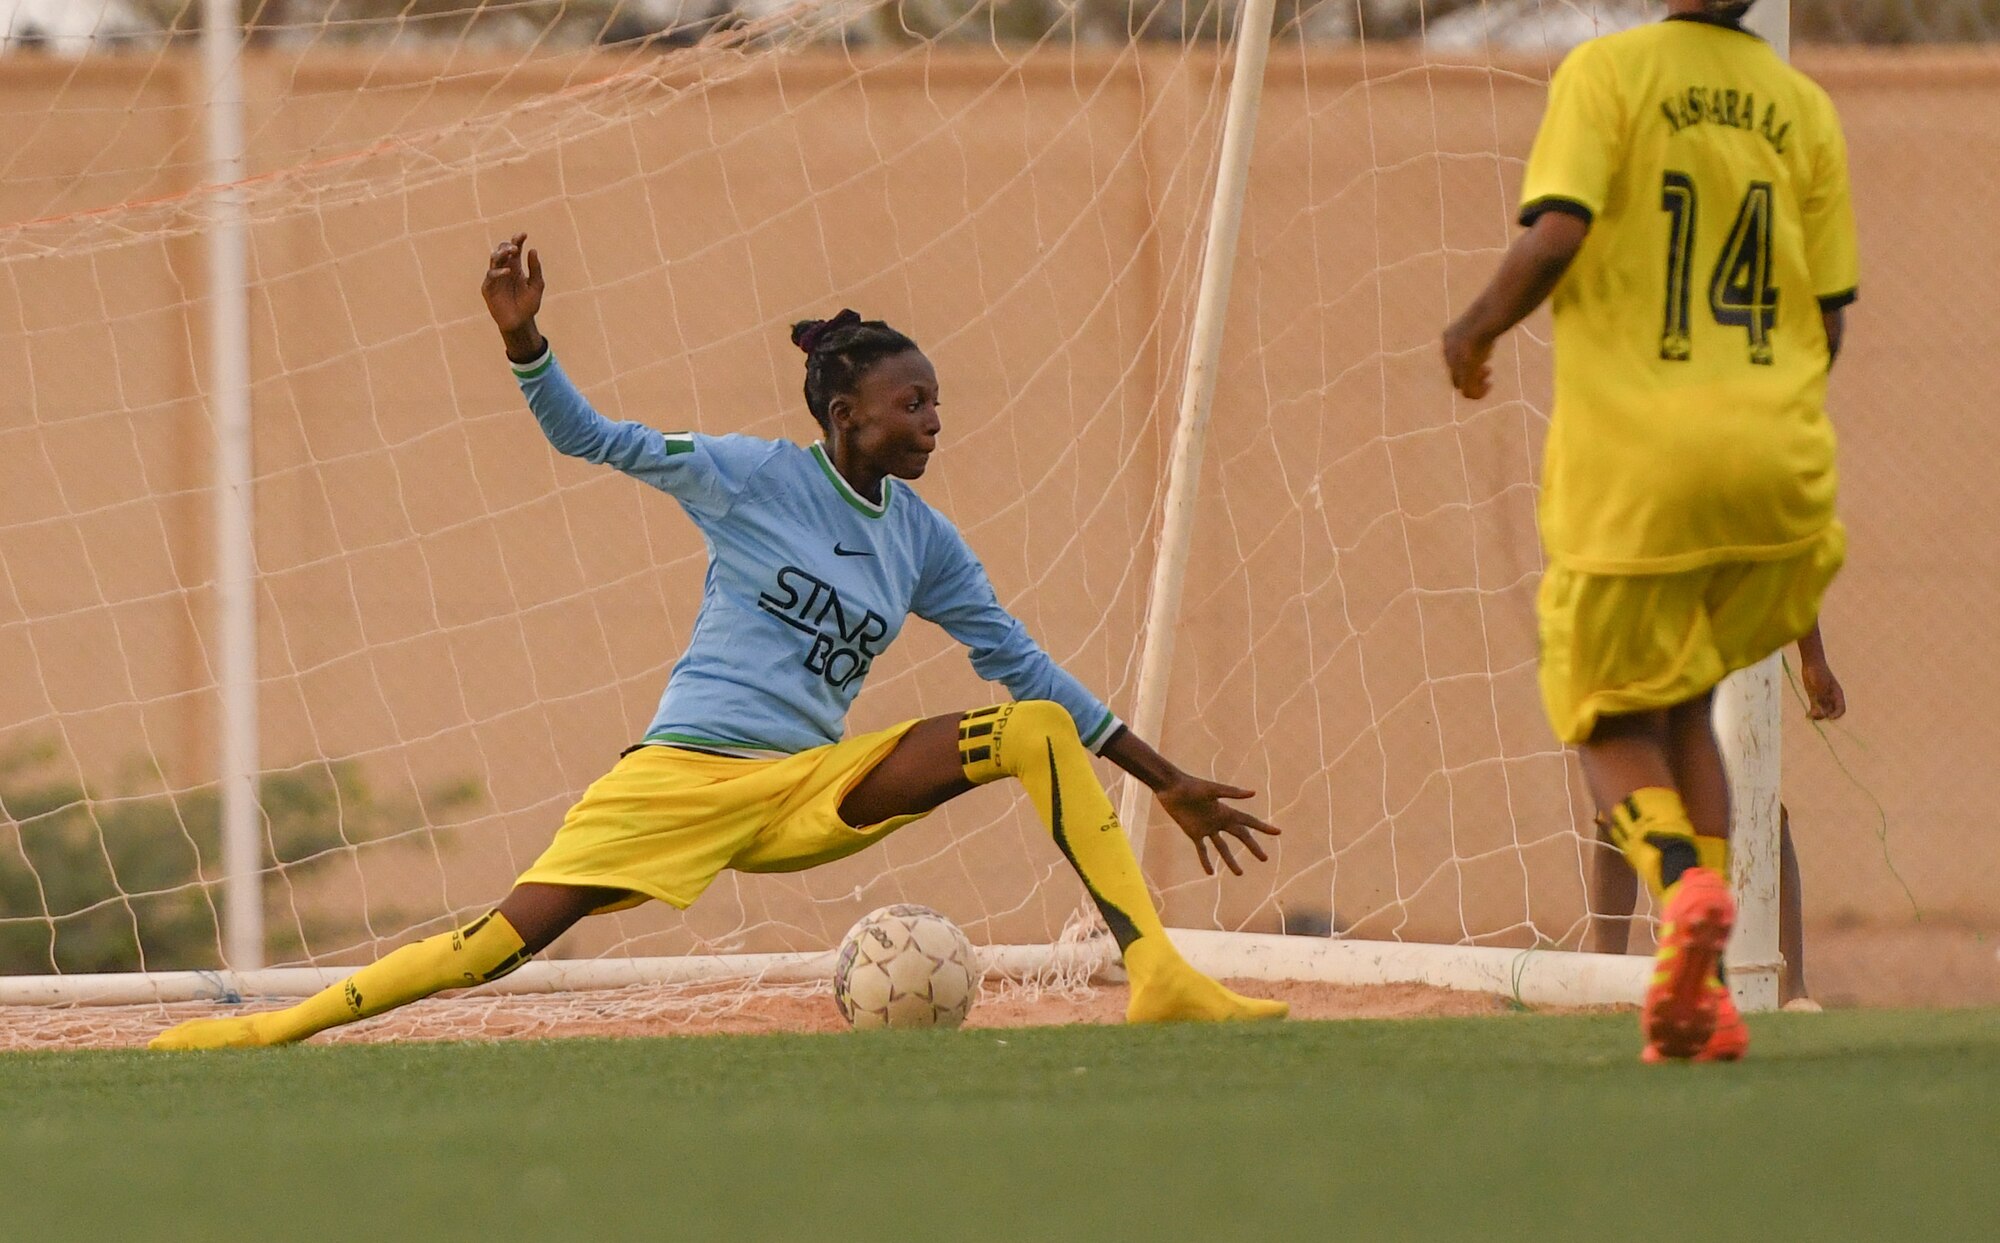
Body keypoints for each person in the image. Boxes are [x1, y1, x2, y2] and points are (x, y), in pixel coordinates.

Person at [152, 234, 1286, 1049]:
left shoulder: (924, 543)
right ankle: (273, 1031)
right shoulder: (746, 477)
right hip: (682, 779)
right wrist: (526, 341)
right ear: (845, 415)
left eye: (936, 403)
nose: (932, 422)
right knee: (502, 939)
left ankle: (1157, 973)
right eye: (911, 404)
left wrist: (1166, 775)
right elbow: (586, 437)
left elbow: (1025, 664)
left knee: (1029, 723)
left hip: (804, 790)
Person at [1440, 0, 1857, 1061]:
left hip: (1639, 464)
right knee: (1688, 706)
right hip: (1776, 468)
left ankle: (1682, 891)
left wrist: (1472, 328)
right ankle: (1702, 996)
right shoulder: (1801, 106)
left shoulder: (1604, 74)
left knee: (1600, 714)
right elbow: (1828, 318)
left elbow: (1559, 231)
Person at [1587, 623, 1847, 1009]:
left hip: (1722, 643)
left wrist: (1813, 657)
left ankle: (1791, 989)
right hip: (1644, 633)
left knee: (1759, 803)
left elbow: (1780, 566)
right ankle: (1606, 973)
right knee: (1623, 808)